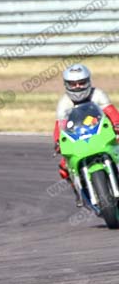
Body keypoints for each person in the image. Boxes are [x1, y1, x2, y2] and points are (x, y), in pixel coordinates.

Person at [54, 64, 119, 206]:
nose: (78, 87)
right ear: (66, 85)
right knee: (64, 167)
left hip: (102, 134)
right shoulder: (64, 103)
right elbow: (59, 126)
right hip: (79, 139)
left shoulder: (98, 94)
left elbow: (111, 112)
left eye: (81, 83)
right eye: (73, 84)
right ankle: (78, 193)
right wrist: (58, 142)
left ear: (88, 81)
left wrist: (117, 124)